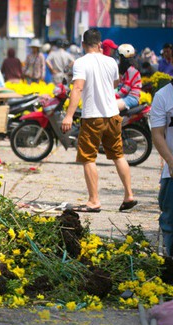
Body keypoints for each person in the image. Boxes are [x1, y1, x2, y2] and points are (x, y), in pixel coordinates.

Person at [61, 28, 136, 213]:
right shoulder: (110, 61)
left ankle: (94, 200)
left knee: (88, 158)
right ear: (100, 44)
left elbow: (77, 88)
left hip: (93, 117)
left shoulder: (80, 62)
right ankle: (129, 195)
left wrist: (69, 115)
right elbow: (115, 84)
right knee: (118, 156)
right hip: (112, 115)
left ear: (83, 44)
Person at [150, 39, 173, 257]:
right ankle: (170, 263)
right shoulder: (163, 96)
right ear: (172, 60)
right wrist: (171, 161)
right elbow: (157, 133)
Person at [115, 44, 142, 111]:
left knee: (110, 107)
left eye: (119, 57)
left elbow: (125, 89)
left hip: (132, 98)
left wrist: (112, 97)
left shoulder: (131, 70)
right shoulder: (126, 71)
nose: (118, 59)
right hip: (125, 97)